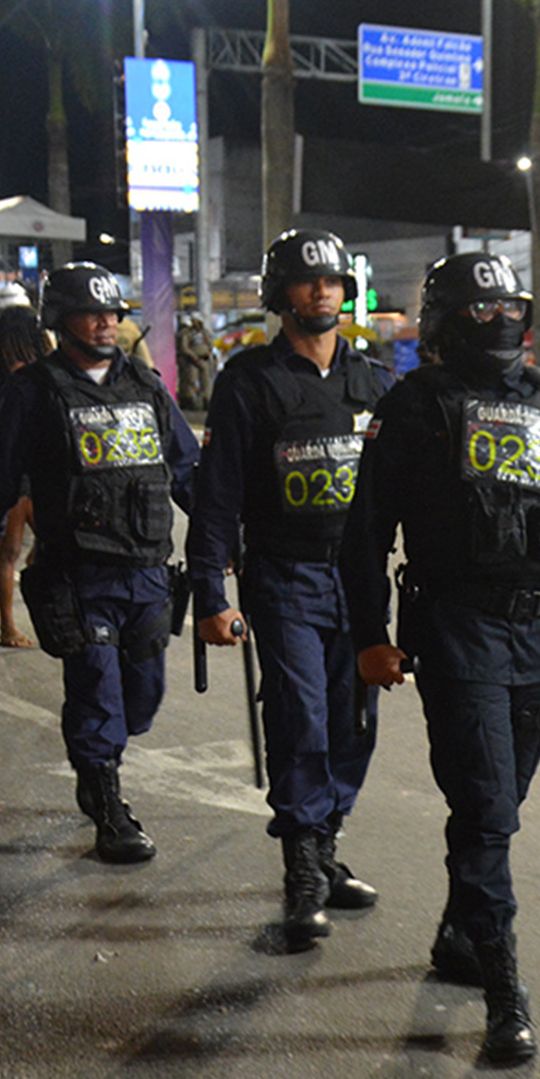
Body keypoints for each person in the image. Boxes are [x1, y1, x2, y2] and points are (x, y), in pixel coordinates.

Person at [341, 251, 540, 1065]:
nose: (500, 320)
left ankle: (460, 930)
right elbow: (365, 533)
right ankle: (503, 986)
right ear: (447, 323)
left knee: (501, 803)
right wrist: (370, 635)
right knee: (486, 810)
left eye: (510, 305)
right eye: (481, 309)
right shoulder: (415, 405)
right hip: (460, 632)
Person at [0, 263, 199, 865]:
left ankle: (98, 767)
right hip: (79, 576)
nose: (107, 323)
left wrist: (226, 539)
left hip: (146, 573)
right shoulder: (34, 391)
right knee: (96, 692)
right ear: (60, 321)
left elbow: (187, 469)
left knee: (142, 697)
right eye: (93, 313)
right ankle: (108, 806)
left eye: (113, 312)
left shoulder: (145, 385)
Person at [189, 230, 388, 949]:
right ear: (281, 294)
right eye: (307, 281)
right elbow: (218, 496)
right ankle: (302, 869)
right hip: (285, 577)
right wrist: (210, 594)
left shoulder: (374, 382)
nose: (322, 291)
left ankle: (327, 847)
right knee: (301, 717)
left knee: (354, 722)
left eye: (332, 280)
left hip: (359, 580)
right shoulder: (249, 381)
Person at [0, 305, 47, 649]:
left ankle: (11, 623)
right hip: (31, 469)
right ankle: (9, 625)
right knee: (18, 548)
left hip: (15, 468)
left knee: (16, 549)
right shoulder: (33, 374)